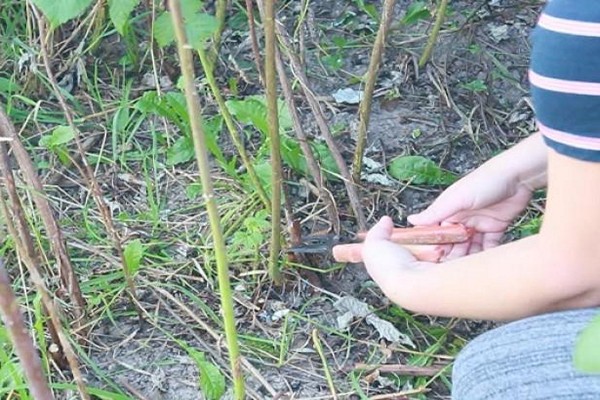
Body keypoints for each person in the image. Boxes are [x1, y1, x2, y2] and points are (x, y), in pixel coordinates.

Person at [336, 1, 600, 398]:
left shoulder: (583, 28)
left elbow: (578, 279)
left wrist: (411, 282)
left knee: (497, 377)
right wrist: (518, 171)